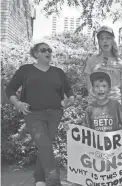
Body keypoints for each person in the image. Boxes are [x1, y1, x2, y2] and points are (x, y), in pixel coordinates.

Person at [5, 42, 75, 186]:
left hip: (55, 114)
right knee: (44, 145)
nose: (47, 52)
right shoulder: (26, 70)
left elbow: (69, 91)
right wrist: (18, 104)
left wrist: (70, 100)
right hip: (33, 114)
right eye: (43, 50)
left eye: (49, 50)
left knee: (45, 146)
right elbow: (10, 89)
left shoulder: (58, 72)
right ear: (35, 53)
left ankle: (39, 178)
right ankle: (54, 181)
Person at [64, 71, 122, 186]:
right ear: (93, 89)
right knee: (100, 178)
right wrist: (72, 130)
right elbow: (85, 129)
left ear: (108, 88)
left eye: (103, 86)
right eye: (97, 86)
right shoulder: (90, 108)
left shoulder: (115, 105)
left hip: (114, 150)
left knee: (114, 177)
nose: (100, 89)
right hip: (97, 151)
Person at [84, 25, 122, 103]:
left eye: (108, 38)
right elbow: (88, 83)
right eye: (101, 38)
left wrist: (120, 106)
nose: (105, 41)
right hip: (96, 104)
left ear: (112, 40)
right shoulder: (92, 60)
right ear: (98, 42)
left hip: (114, 103)